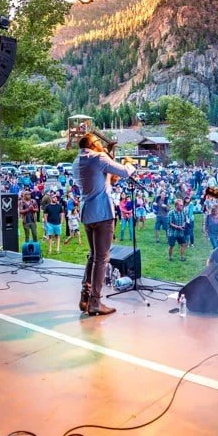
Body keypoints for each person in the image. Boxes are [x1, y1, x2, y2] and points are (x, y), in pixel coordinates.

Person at [73, 134, 136, 316]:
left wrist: (108, 155)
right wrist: (129, 163)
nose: (101, 145)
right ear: (93, 144)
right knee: (102, 259)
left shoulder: (78, 161)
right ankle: (95, 302)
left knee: (93, 256)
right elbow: (124, 172)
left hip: (87, 213)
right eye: (98, 142)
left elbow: (104, 178)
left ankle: (85, 296)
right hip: (102, 213)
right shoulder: (98, 158)